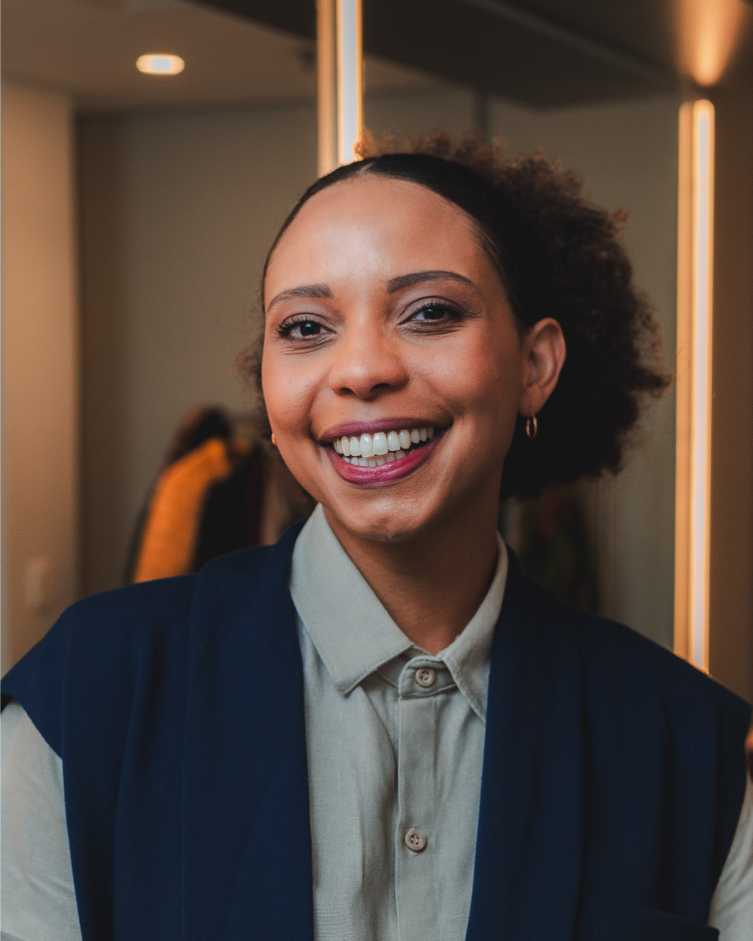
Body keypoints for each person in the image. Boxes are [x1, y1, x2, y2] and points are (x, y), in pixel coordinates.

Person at [2, 131, 752, 941]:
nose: (360, 369)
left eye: (430, 313)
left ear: (534, 365)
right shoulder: (88, 696)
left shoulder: (683, 739)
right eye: (304, 327)